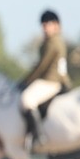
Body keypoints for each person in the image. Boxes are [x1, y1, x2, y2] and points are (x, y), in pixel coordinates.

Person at [19, 10, 70, 148]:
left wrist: (26, 81)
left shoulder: (53, 42)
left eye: (48, 24)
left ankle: (38, 135)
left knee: (26, 100)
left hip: (50, 81)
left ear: (56, 25)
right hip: (53, 80)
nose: (45, 27)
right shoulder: (53, 41)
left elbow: (41, 66)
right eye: (43, 24)